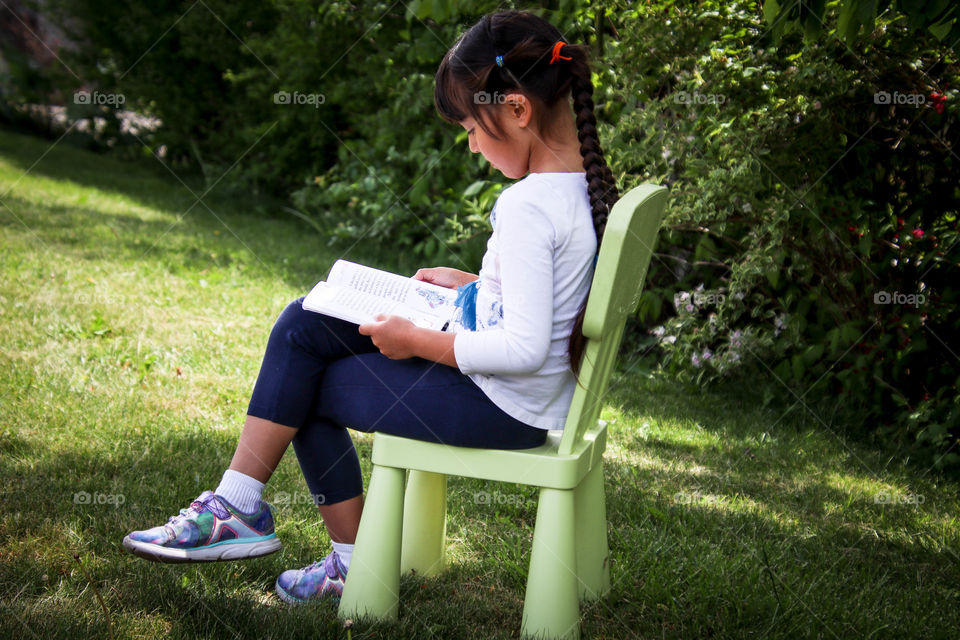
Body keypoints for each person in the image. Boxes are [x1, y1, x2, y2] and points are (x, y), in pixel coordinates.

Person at [122, 9, 619, 605]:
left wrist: (414, 340)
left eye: (470, 128)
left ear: (516, 109)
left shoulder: (528, 206)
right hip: (534, 398)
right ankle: (239, 504)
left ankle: (335, 555)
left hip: (506, 406)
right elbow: (550, 298)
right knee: (304, 322)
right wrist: (472, 287)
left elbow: (523, 347)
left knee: (307, 383)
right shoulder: (580, 186)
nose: (471, 146)